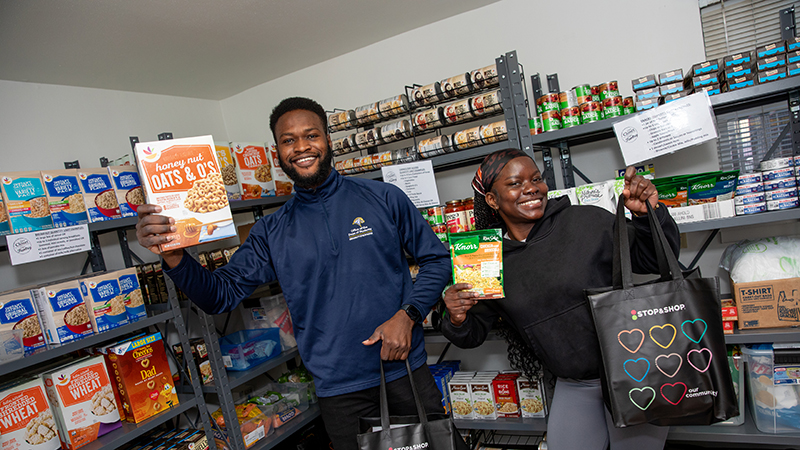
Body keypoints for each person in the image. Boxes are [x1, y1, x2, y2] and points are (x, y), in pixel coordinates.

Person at [136, 97, 452, 450]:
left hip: (404, 372)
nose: (302, 147)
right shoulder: (272, 230)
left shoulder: (383, 198)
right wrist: (176, 255)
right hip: (338, 390)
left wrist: (408, 316)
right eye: (289, 140)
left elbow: (437, 260)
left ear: (328, 140)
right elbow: (218, 296)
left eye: (311, 135)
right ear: (278, 153)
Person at [440, 148, 680, 450]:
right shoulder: (487, 261)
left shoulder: (586, 222)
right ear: (492, 199)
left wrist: (647, 215)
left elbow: (652, 261)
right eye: (515, 183)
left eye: (536, 179)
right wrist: (457, 315)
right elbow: (473, 332)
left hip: (635, 371)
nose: (531, 188)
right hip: (574, 384)